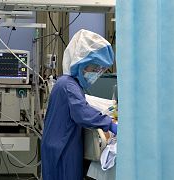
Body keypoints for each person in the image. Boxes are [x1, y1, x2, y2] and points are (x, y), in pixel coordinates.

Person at [41, 29, 118, 180]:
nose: (97, 72)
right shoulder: (68, 85)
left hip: (60, 144)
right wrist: (109, 123)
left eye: (100, 69)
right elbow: (81, 113)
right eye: (95, 67)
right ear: (80, 62)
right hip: (62, 149)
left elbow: (80, 107)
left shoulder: (68, 83)